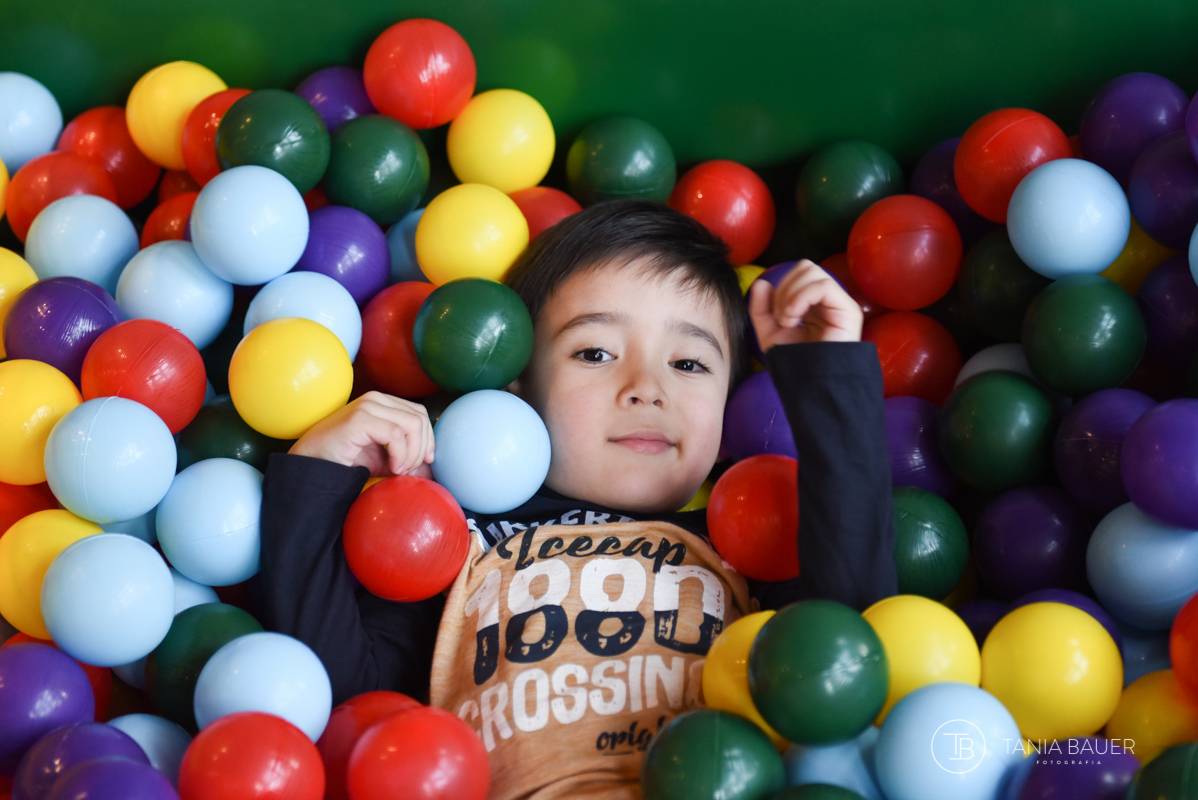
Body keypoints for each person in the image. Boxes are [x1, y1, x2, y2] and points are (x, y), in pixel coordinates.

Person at [258, 200, 897, 799]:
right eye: (595, 352)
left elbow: (856, 641)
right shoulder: (460, 541)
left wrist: (826, 375)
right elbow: (342, 696)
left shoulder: (739, 547)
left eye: (690, 364)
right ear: (518, 380)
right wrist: (318, 473)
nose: (647, 388)